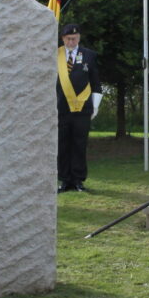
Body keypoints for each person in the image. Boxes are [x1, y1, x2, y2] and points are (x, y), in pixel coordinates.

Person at [56, 23, 101, 193]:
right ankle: (65, 180)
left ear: (79, 38)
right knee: (63, 144)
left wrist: (95, 106)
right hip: (61, 108)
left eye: (74, 38)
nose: (71, 41)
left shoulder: (89, 55)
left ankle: (78, 180)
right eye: (68, 38)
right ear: (62, 39)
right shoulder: (55, 55)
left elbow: (96, 83)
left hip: (83, 108)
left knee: (80, 144)